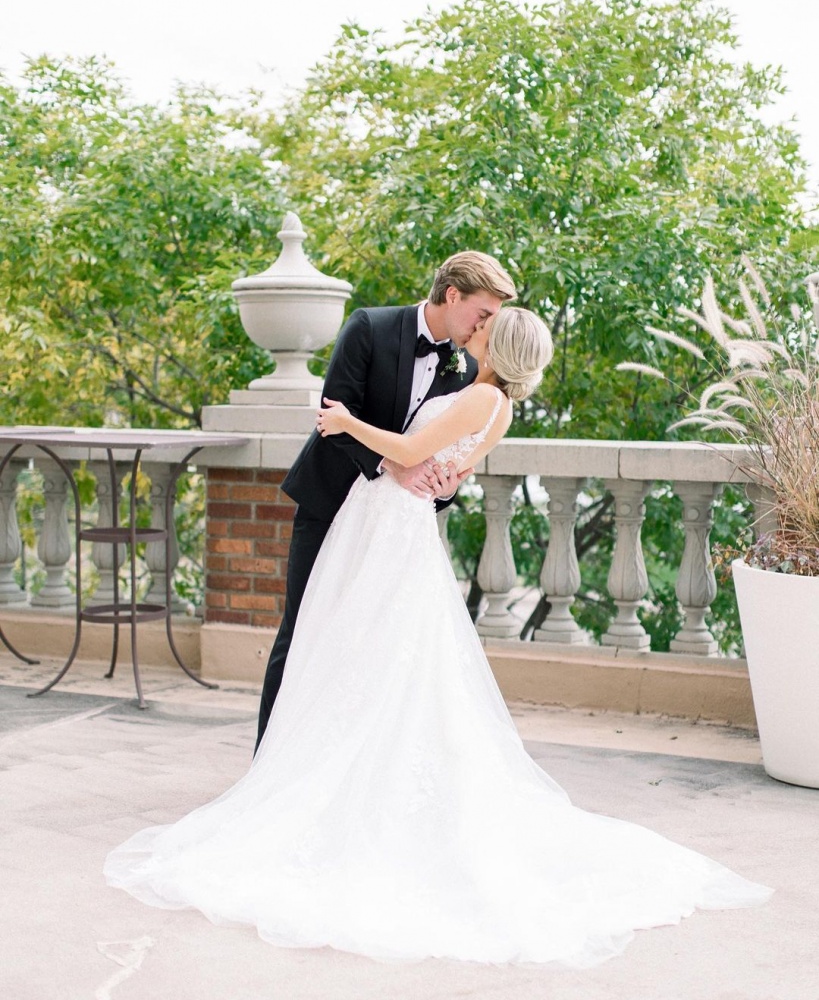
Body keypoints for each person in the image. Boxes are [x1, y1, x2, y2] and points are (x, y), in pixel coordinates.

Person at [104, 305, 771, 967]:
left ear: (493, 342)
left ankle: (339, 785)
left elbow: (411, 452)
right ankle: (323, 768)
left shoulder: (477, 394)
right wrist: (432, 468)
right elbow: (452, 468)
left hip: (387, 524)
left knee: (359, 648)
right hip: (396, 526)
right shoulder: (498, 406)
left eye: (485, 324)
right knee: (381, 654)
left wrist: (343, 422)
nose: (475, 327)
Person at [254, 250, 517, 750]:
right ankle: (266, 764)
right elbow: (333, 416)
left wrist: (446, 487)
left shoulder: (470, 370)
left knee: (372, 644)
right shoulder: (369, 328)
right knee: (302, 631)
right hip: (329, 503)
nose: (485, 327)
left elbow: (449, 448)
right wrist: (394, 464)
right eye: (482, 315)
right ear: (453, 294)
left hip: (393, 524)